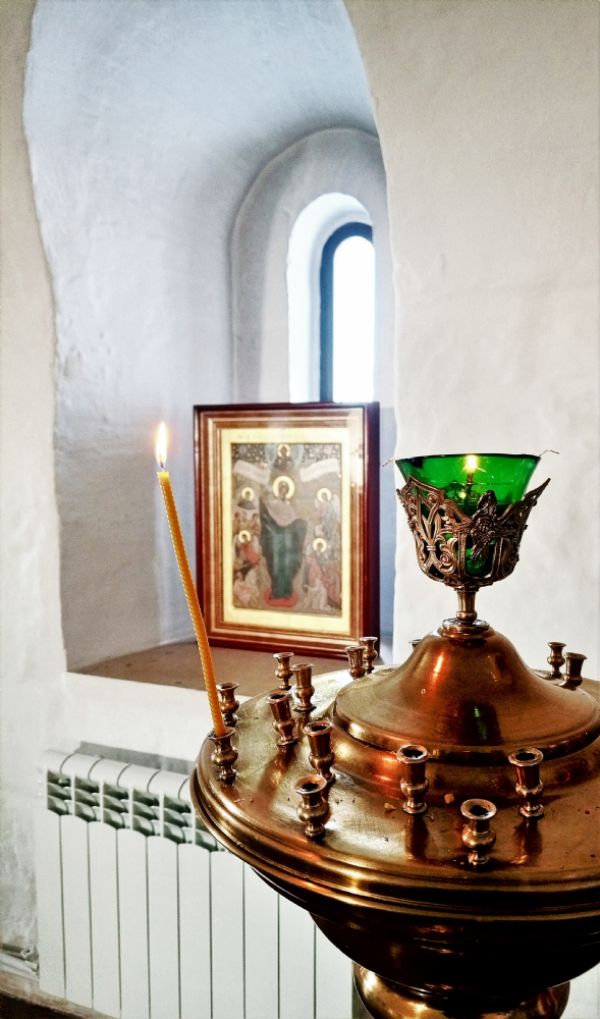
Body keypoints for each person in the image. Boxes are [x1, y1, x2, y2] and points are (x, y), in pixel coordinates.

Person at [259, 476, 306, 607]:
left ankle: (287, 591)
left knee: (287, 563)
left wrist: (299, 524)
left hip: (286, 538)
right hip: (276, 538)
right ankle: (277, 592)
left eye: (285, 490)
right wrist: (264, 492)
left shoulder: (288, 505)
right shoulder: (273, 503)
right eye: (281, 490)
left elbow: (294, 518)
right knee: (276, 564)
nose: (283, 492)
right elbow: (266, 509)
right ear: (278, 490)